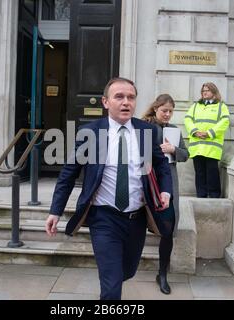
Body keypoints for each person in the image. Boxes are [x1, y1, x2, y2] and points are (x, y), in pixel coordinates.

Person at [45, 77, 173, 300]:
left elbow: (162, 165)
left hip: (137, 217)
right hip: (103, 217)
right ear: (105, 102)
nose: (126, 102)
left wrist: (165, 191)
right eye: (119, 97)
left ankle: (113, 278)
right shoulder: (91, 132)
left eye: (131, 97)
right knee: (112, 287)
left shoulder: (146, 131)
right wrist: (55, 210)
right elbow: (69, 172)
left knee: (127, 271)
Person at [142, 94, 189, 294]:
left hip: (169, 181)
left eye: (170, 111)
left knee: (168, 229)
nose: (168, 114)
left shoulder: (174, 130)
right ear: (155, 109)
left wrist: (174, 149)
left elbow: (186, 155)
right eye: (164, 111)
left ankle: (162, 273)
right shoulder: (144, 127)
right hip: (146, 179)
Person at [184, 82, 230, 198]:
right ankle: (201, 195)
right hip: (197, 146)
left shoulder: (221, 106)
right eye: (203, 90)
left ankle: (214, 196)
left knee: (212, 173)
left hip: (212, 147)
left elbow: (224, 122)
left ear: (214, 92)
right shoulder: (195, 106)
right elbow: (188, 119)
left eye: (207, 90)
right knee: (199, 173)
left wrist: (209, 133)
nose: (204, 92)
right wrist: (195, 131)